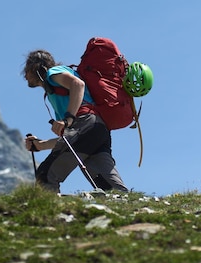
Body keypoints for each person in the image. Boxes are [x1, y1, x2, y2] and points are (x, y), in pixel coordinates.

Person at [22, 49, 128, 193]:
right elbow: (70, 139)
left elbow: (78, 85)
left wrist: (68, 118)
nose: (24, 74)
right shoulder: (59, 92)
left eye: (27, 68)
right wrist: (40, 145)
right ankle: (133, 208)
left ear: (38, 68)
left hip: (85, 123)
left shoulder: (52, 73)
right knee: (110, 187)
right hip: (97, 130)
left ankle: (49, 213)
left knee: (45, 176)